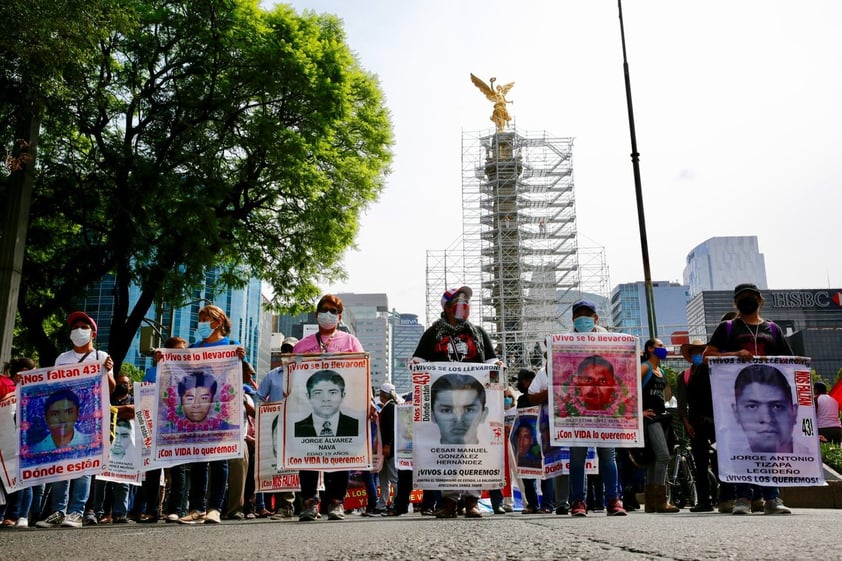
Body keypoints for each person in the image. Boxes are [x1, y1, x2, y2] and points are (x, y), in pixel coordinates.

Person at [411, 285, 502, 518]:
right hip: (446, 401)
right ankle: (449, 501)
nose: (464, 307)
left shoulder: (479, 333)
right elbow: (418, 359)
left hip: (472, 398)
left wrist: (496, 366)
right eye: (459, 303)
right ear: (447, 308)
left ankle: (472, 501)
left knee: (475, 449)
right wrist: (417, 365)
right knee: (448, 450)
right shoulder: (433, 333)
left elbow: (492, 361)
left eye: (467, 303)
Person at [704, 282, 793, 515]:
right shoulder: (727, 328)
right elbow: (707, 356)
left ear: (760, 300)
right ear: (735, 302)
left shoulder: (773, 329)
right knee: (742, 444)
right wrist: (735, 354)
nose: (747, 300)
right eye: (743, 297)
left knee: (767, 447)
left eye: (751, 296)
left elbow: (789, 361)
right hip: (740, 398)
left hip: (770, 397)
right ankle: (743, 498)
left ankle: (772, 498)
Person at [532, 300, 625, 517]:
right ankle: (578, 502)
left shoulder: (610, 340)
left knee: (608, 456)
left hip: (604, 409)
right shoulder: (563, 342)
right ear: (573, 319)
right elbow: (554, 372)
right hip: (577, 409)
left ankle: (613, 500)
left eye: (588, 314)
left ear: (596, 318)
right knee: (577, 458)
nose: (584, 319)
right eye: (579, 315)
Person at [36, 311, 116, 530]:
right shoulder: (62, 358)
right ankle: (58, 512)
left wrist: (107, 372)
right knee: (61, 466)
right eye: (74, 327)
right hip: (64, 419)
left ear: (93, 334)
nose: (78, 331)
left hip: (89, 420)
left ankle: (76, 512)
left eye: (83, 327)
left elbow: (110, 390)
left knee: (83, 467)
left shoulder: (101, 356)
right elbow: (53, 386)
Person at [292, 294, 365, 522]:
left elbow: (361, 374)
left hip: (342, 410)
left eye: (333, 311)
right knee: (308, 455)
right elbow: (292, 378)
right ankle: (309, 502)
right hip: (307, 410)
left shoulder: (350, 342)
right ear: (316, 314)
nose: (328, 314)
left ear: (340, 316)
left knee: (339, 453)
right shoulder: (302, 346)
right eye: (324, 309)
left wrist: (367, 402)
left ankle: (336, 503)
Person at [178, 304, 246, 525]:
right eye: (200, 319)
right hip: (199, 412)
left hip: (221, 412)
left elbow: (241, 378)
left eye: (205, 319)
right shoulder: (195, 347)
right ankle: (196, 507)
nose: (202, 324)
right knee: (198, 460)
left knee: (219, 460)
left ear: (217, 321)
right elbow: (181, 374)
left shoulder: (231, 346)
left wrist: (241, 359)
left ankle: (215, 507)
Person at [139, 336, 187, 524]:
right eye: (176, 351)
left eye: (183, 351)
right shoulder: (152, 372)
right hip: (157, 426)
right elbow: (144, 398)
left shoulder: (188, 373)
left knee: (178, 470)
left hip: (179, 427)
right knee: (153, 470)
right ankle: (152, 510)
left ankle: (175, 510)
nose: (180, 355)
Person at [255, 336, 297, 519]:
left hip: (300, 425)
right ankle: (285, 506)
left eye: (291, 350)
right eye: (285, 349)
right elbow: (258, 397)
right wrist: (265, 413)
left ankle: (309, 504)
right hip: (277, 427)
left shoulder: (305, 374)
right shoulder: (272, 376)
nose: (287, 353)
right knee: (282, 466)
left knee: (305, 465)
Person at [676, 338, 716, 512]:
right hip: (696, 424)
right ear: (690, 356)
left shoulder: (715, 371)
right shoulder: (683, 376)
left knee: (718, 460)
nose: (698, 355)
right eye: (694, 352)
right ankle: (704, 501)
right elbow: (682, 403)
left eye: (701, 351)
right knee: (699, 463)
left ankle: (726, 497)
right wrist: (686, 423)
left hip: (716, 423)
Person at [640, 338, 679, 514]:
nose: (664, 349)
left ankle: (651, 502)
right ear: (650, 349)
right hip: (650, 419)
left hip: (661, 418)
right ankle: (661, 500)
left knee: (654, 458)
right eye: (660, 346)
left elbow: (667, 396)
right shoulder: (645, 367)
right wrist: (638, 413)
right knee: (663, 456)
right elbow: (628, 388)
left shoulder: (660, 370)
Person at [1, 357, 36, 528]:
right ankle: (15, 515)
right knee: (16, 478)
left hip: (15, 439)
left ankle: (16, 515)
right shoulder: (6, 384)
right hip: (11, 439)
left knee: (17, 478)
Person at [733, 364, 799, 454]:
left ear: (794, 412)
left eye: (777, 406)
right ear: (736, 413)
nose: (767, 418)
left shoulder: (812, 461)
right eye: (752, 406)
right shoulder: (731, 464)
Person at [294, 370, 359, 437]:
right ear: (308, 397)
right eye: (318, 393)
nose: (325, 399)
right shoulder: (295, 429)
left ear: (343, 395)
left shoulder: (358, 426)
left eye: (333, 392)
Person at [430, 373, 488, 445]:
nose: (459, 419)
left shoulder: (496, 454)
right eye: (447, 410)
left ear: (483, 414)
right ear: (432, 416)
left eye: (469, 410)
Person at [375, 382, 399, 514]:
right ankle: (382, 504)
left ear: (384, 394)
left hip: (388, 448)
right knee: (383, 477)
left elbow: (391, 428)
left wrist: (387, 445)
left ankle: (395, 503)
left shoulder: (390, 407)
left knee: (393, 478)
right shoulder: (388, 406)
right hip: (384, 448)